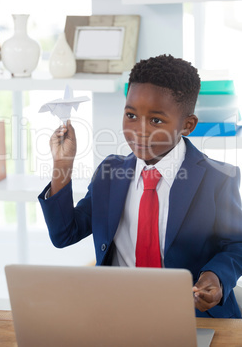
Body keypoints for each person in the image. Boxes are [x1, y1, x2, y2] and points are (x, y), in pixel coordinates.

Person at [38, 54, 242, 318]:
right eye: (131, 115)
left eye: (156, 120)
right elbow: (64, 234)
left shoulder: (218, 179)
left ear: (187, 125)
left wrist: (215, 277)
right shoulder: (110, 174)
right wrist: (62, 164)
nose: (139, 131)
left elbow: (236, 244)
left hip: (192, 315)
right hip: (121, 312)